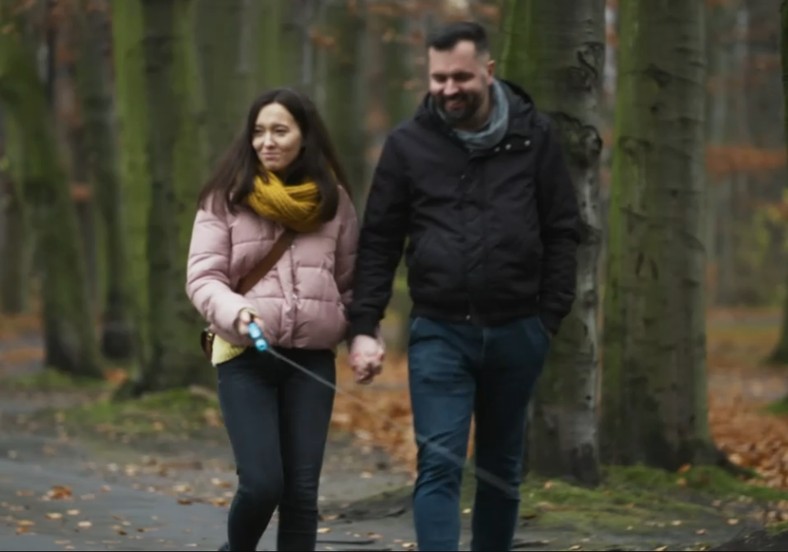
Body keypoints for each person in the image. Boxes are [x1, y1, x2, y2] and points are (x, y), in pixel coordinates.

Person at [347, 21, 581, 552]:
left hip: (520, 330)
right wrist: (364, 326)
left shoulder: (535, 136)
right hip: (439, 333)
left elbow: (563, 230)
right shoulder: (407, 145)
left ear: (488, 71)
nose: (449, 89)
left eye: (461, 77)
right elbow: (380, 241)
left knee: (501, 469)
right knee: (440, 463)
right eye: (438, 78)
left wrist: (548, 320)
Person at [186, 87, 359, 552]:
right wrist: (235, 310)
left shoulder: (334, 203)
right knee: (263, 484)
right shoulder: (224, 199)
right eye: (259, 132)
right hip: (245, 356)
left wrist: (361, 335)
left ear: (305, 136)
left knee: (302, 496)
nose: (267, 141)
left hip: (312, 363)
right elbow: (203, 278)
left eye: (280, 130)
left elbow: (351, 284)